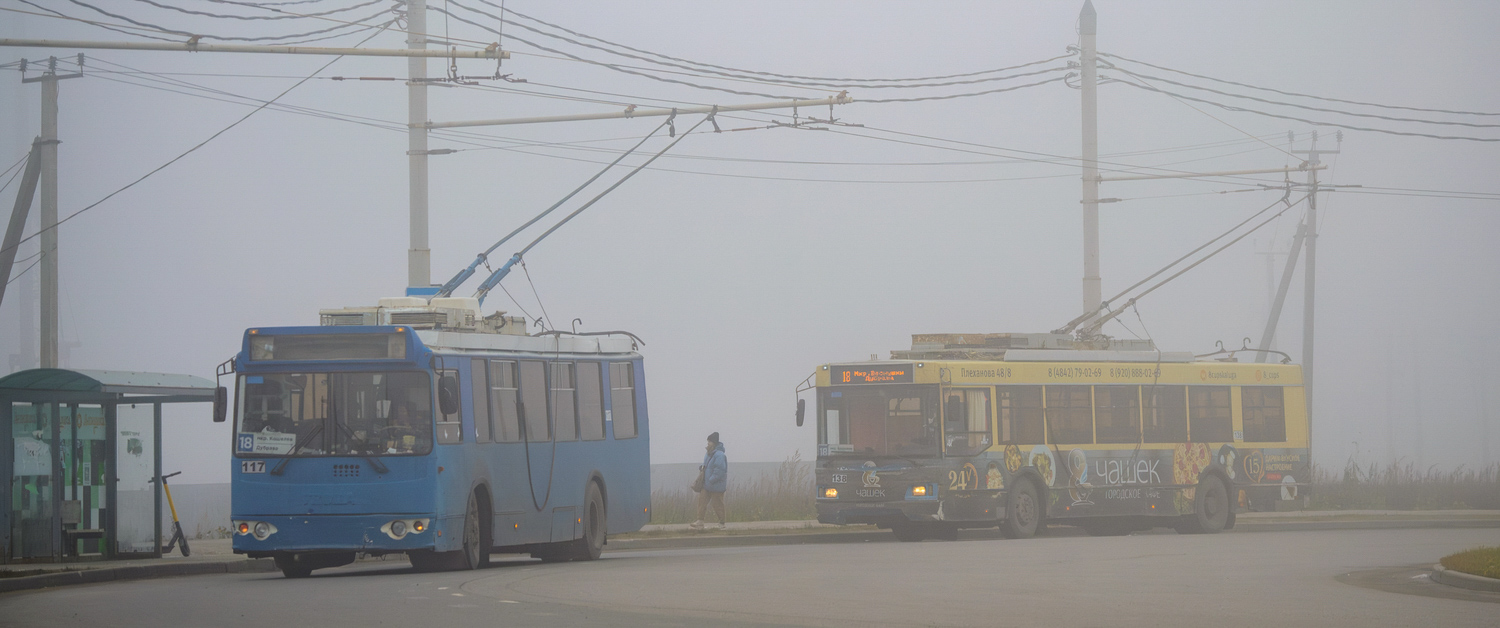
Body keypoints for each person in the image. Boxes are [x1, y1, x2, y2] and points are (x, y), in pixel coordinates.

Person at [690, 432, 728, 530]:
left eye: (709, 441)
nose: (708, 443)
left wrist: (711, 480)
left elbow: (720, 470)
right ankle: (700, 521)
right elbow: (708, 466)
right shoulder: (708, 454)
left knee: (717, 504)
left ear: (714, 443)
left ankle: (722, 523)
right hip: (706, 485)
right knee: (701, 502)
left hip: (715, 485)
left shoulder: (719, 455)